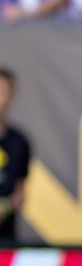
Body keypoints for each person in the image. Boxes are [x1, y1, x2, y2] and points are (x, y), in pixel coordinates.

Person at [0, 68, 31, 246]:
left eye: (3, 92)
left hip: (6, 239)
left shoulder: (19, 142)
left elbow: (21, 192)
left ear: (11, 96)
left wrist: (4, 208)